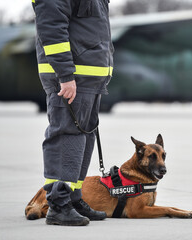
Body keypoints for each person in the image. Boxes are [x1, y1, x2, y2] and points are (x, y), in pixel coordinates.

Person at [32, 0, 114, 226]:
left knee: (83, 137)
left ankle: (73, 198)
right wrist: (65, 75)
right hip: (72, 76)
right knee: (66, 135)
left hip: (89, 76)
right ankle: (58, 204)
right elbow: (52, 27)